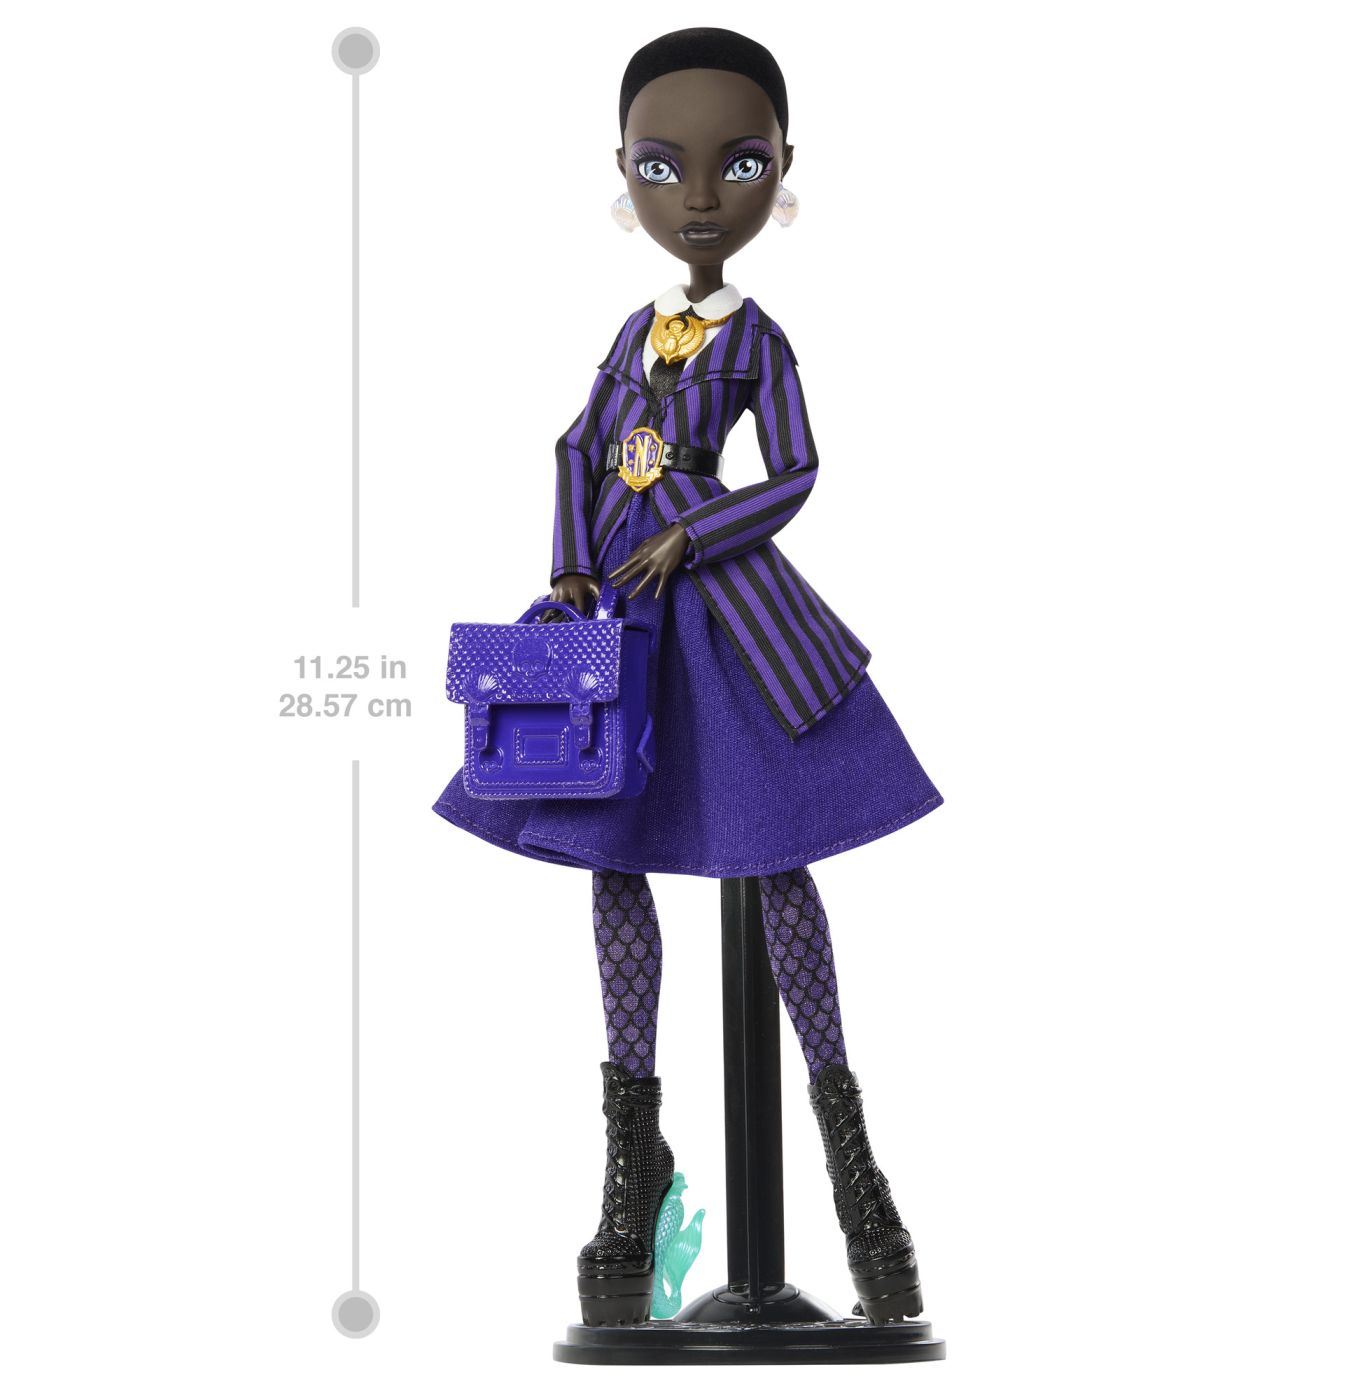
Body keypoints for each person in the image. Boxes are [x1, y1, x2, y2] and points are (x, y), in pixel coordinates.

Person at [434, 27, 943, 1327]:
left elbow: (799, 471)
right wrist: (570, 565)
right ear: (624, 171)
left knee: (774, 851)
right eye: (664, 166)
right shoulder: (633, 330)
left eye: (739, 164)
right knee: (608, 848)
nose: (702, 196)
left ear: (781, 169)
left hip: (725, 612)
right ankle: (632, 1162)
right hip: (619, 611)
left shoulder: (757, 337)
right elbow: (575, 445)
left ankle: (854, 1168)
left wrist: (694, 532)